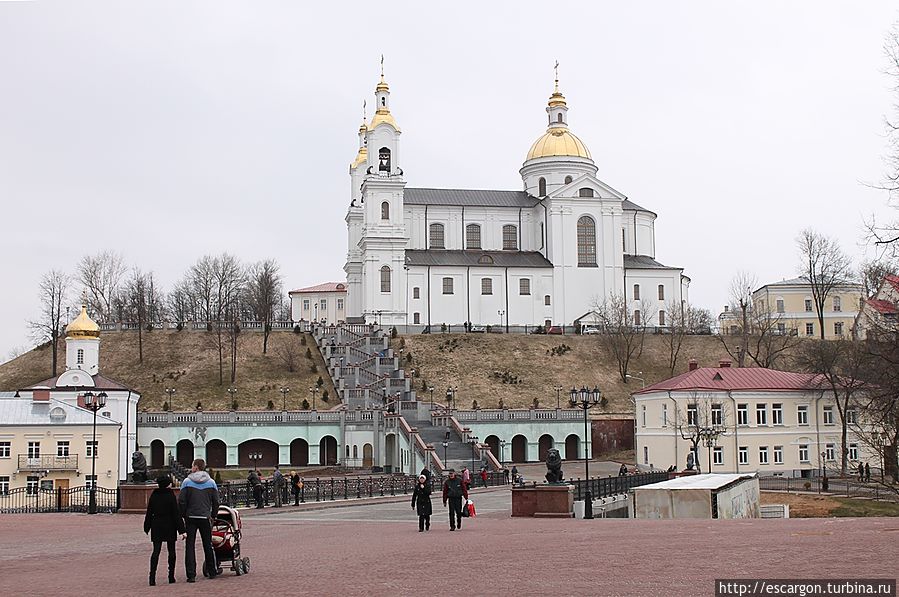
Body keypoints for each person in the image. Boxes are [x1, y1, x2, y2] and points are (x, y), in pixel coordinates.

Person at [178, 458, 220, 583]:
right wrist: (213, 515)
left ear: (196, 467)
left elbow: (181, 501)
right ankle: (212, 571)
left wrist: (184, 514)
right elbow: (216, 502)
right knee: (207, 544)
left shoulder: (186, 482)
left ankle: (191, 575)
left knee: (190, 545)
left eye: (192, 466)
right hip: (205, 517)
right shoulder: (211, 482)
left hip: (191, 517)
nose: (191, 468)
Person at [143, 475, 185, 586]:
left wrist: (147, 526)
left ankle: (152, 577)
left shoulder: (154, 495)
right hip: (170, 525)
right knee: (171, 551)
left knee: (156, 551)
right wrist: (182, 530)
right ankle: (171, 576)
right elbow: (176, 514)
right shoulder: (170, 495)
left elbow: (149, 512)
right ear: (168, 484)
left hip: (156, 524)